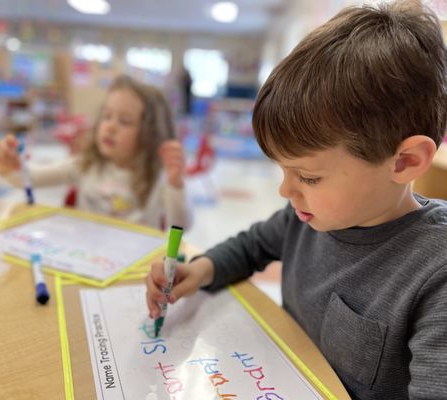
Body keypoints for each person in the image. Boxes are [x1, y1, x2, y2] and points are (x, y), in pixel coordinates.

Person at [145, 1, 447, 399]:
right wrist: (199, 271)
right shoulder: (307, 215)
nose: (286, 191)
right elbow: (251, 246)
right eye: (282, 170)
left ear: (405, 161)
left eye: (307, 176)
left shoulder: (435, 271)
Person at [0, 75, 191, 230]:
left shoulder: (159, 177)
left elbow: (181, 227)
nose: (110, 127)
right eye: (106, 116)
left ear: (151, 133)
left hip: (137, 273)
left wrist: (175, 185)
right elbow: (28, 179)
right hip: (86, 265)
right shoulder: (85, 164)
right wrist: (10, 165)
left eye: (125, 121)